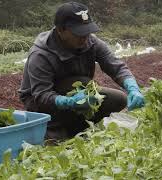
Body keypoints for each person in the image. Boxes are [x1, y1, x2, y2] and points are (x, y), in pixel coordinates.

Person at [19, 2, 144, 142]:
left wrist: (133, 88)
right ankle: (55, 127)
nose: (84, 37)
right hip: (41, 105)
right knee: (84, 84)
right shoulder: (41, 54)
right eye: (78, 33)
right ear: (61, 30)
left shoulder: (90, 42)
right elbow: (41, 95)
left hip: (77, 93)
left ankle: (76, 125)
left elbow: (116, 66)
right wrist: (69, 102)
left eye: (87, 31)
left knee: (119, 99)